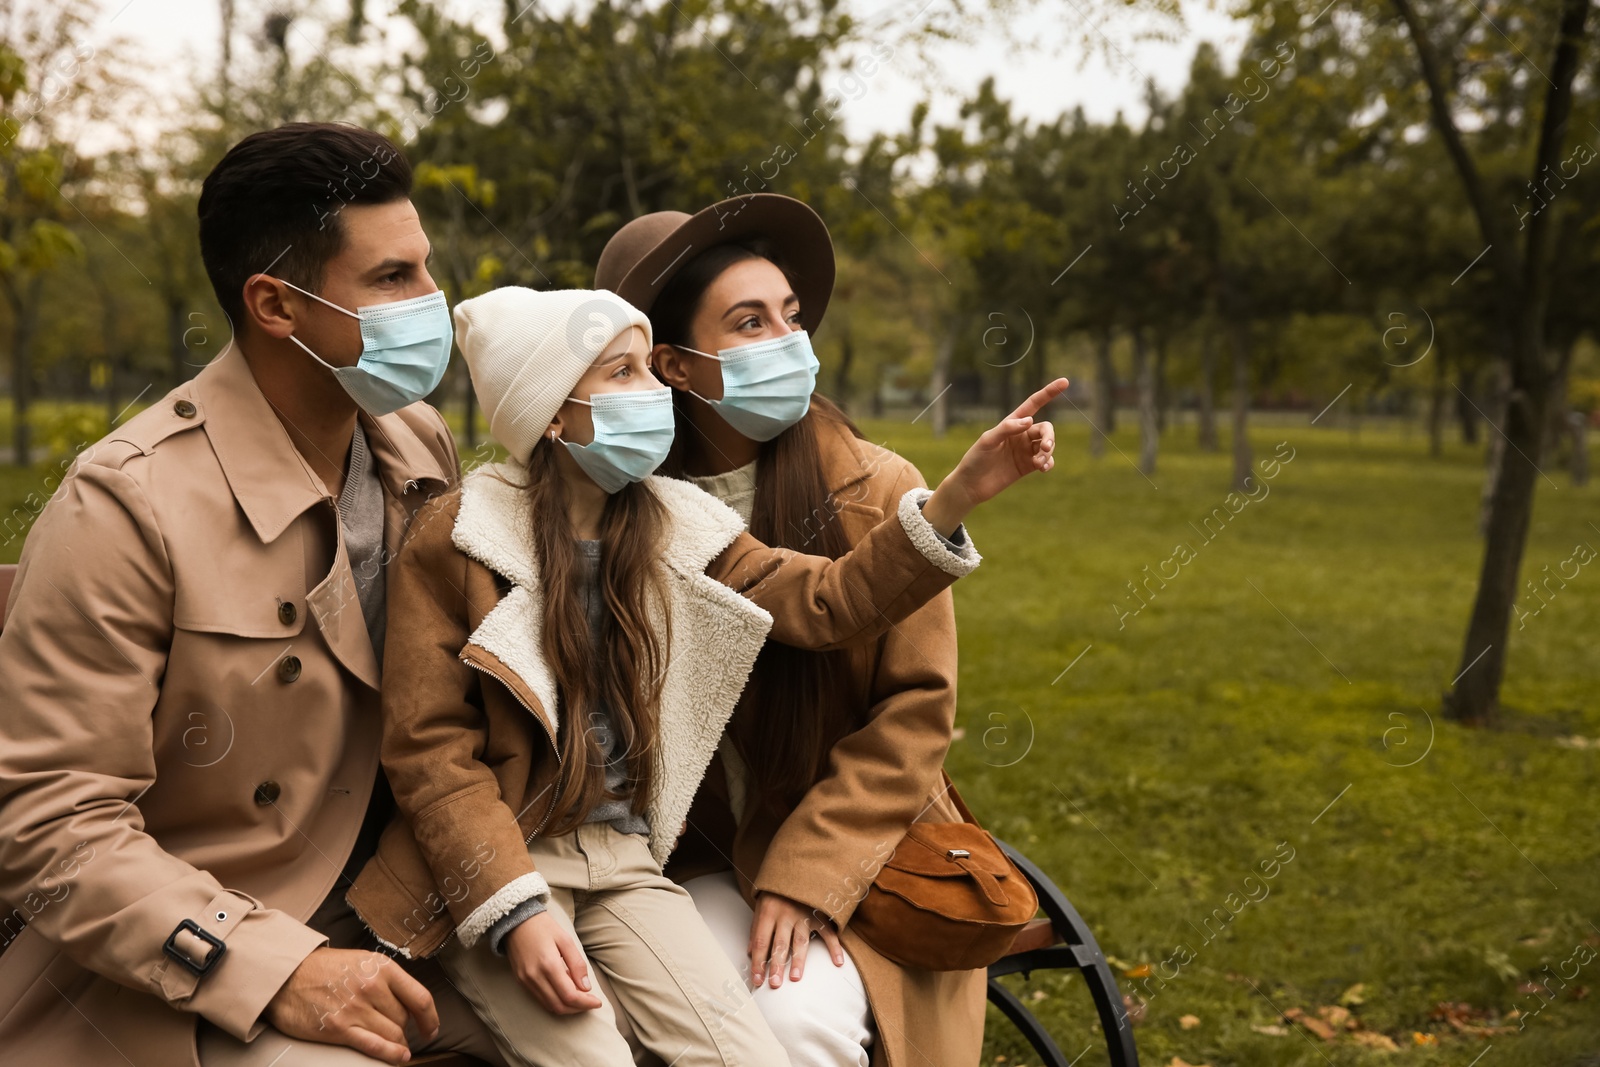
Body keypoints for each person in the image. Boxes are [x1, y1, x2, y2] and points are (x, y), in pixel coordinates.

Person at [342, 284, 1064, 1067]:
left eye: (650, 370)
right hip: (500, 864)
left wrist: (955, 496)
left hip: (624, 864)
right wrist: (514, 909)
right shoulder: (456, 537)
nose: (653, 394)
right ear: (552, 412)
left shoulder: (674, 521)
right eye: (620, 374)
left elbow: (831, 601)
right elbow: (429, 752)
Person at [0, 123, 505, 1066]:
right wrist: (275, 966)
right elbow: (49, 819)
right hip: (188, 970)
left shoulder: (417, 443)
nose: (436, 304)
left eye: (428, 269)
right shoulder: (127, 502)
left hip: (407, 916)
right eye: (393, 279)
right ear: (276, 304)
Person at [596, 193, 1040, 1067]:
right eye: (749, 322)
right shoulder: (625, 503)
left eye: (790, 316)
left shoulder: (877, 488)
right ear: (675, 367)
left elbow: (915, 713)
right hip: (691, 855)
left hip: (855, 841)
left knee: (795, 1025)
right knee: (650, 1021)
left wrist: (807, 877)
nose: (789, 342)